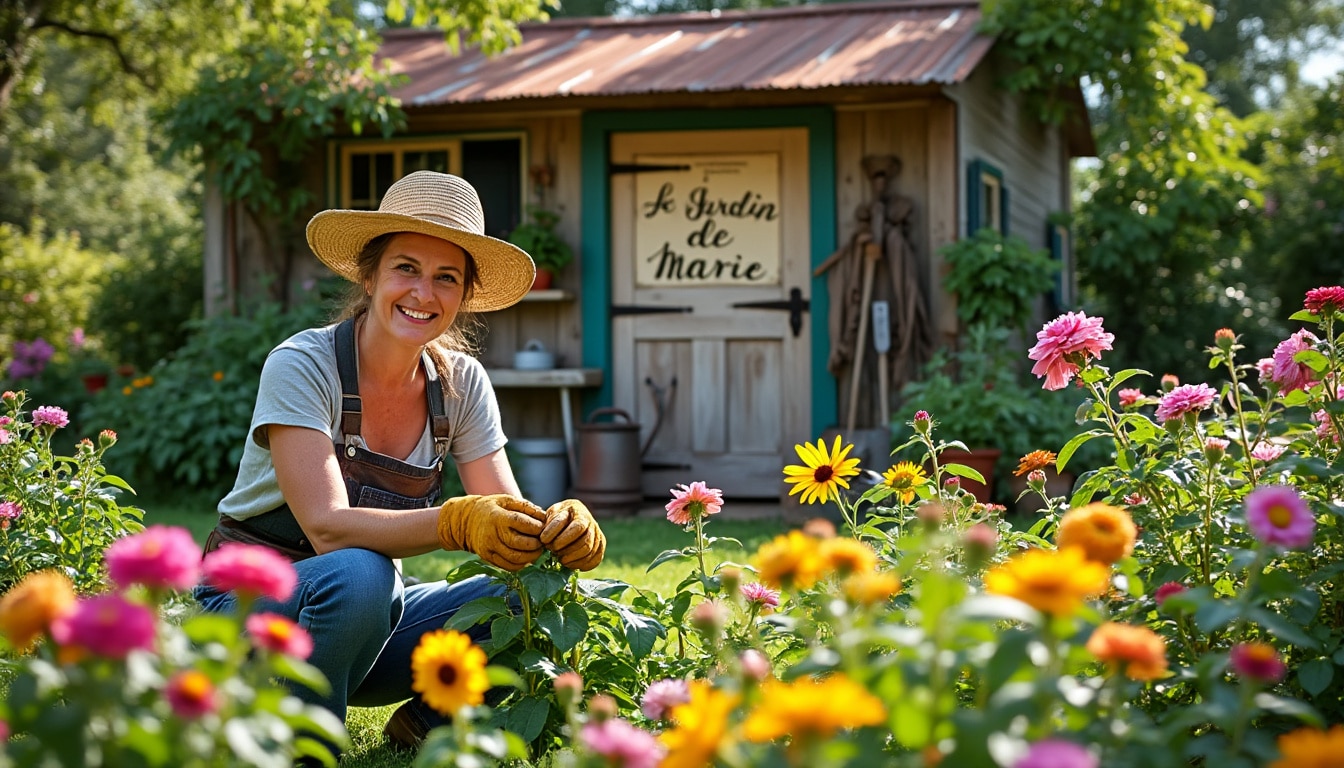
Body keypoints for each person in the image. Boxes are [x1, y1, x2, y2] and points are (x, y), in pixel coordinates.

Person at [194, 171, 606, 751]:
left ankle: (421, 729)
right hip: (248, 616)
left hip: (366, 624)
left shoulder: (460, 383)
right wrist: (456, 521)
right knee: (361, 572)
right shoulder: (303, 364)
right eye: (406, 268)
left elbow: (508, 518)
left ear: (463, 296)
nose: (423, 293)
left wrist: (557, 532)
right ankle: (301, 750)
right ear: (369, 275)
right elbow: (326, 526)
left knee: (529, 597)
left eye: (446, 278)